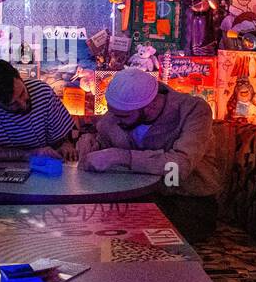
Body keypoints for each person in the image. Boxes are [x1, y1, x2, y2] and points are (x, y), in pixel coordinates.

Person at [80, 68, 221, 242]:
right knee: (90, 225)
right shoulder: (117, 115)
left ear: (150, 107)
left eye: (123, 116)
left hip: (188, 203)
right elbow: (103, 139)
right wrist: (89, 143)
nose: (115, 120)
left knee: (133, 236)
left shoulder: (193, 110)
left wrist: (122, 157)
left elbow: (178, 167)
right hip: (139, 199)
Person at [0, 59, 74, 161]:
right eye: (13, 104)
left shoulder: (42, 92)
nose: (23, 104)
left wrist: (65, 145)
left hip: (40, 172)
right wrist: (28, 155)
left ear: (19, 77)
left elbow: (60, 140)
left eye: (22, 93)